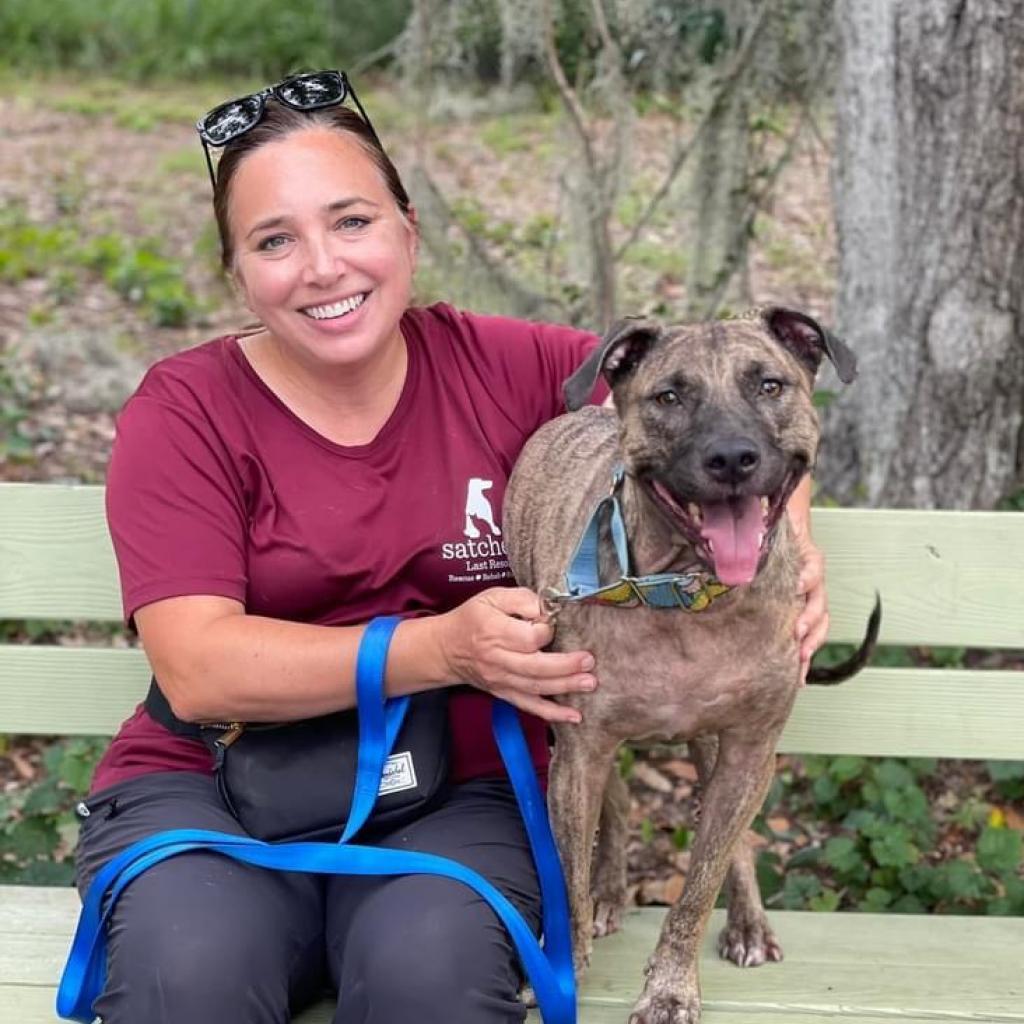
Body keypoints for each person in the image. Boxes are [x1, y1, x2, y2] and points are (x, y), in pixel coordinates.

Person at [74, 71, 829, 1024]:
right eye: (274, 240)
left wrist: (783, 533)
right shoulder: (185, 411)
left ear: (409, 230)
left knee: (430, 984)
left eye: (352, 222)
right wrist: (442, 649)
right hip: (214, 783)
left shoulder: (510, 363)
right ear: (237, 273)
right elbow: (197, 670)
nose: (323, 267)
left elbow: (721, 415)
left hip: (456, 796)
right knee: (189, 979)